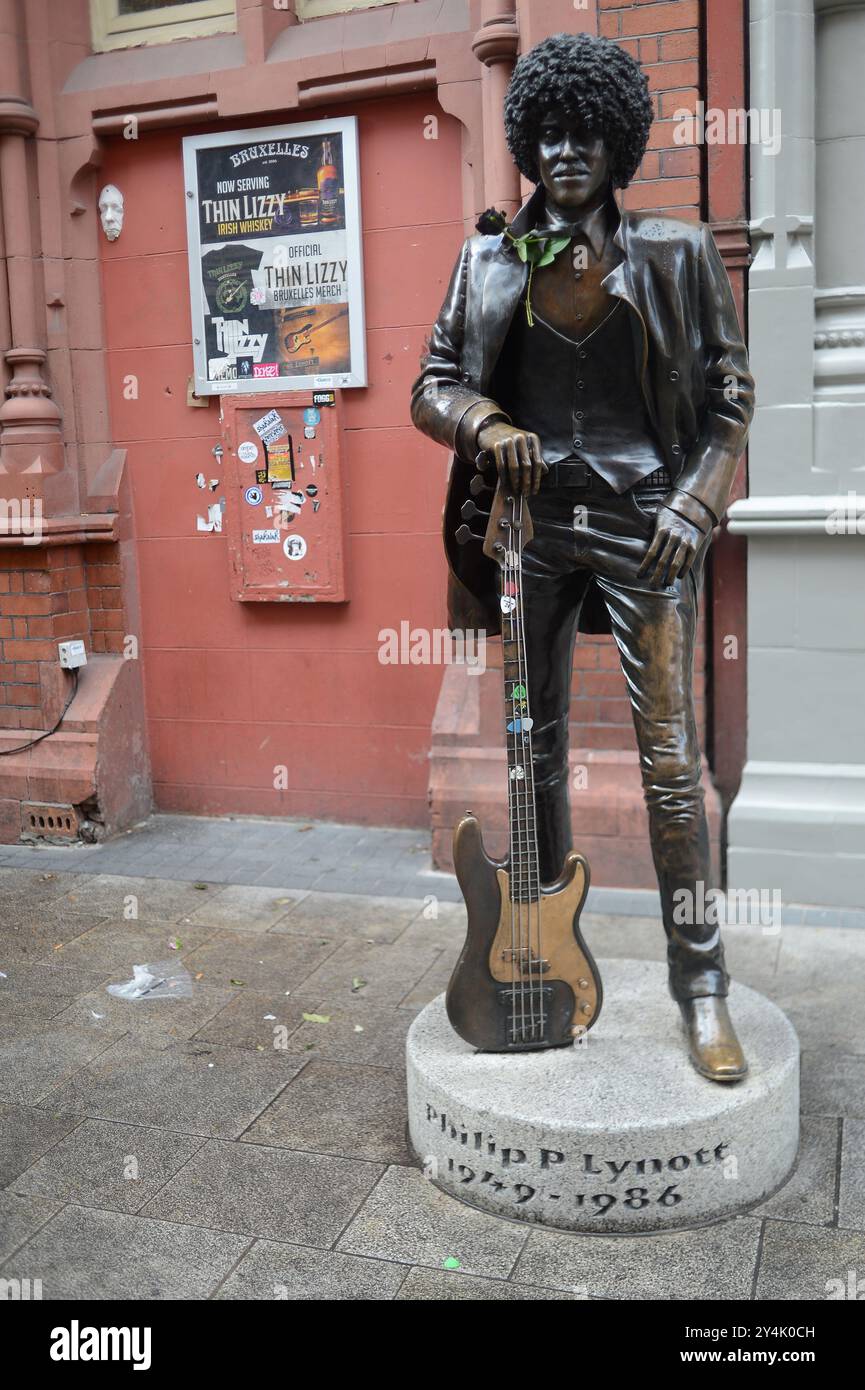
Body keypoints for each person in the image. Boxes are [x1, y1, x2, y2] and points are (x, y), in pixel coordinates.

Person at [410, 32, 755, 1081]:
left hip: (646, 521)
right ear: (527, 144)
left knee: (665, 762)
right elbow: (429, 385)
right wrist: (481, 423)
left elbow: (730, 402)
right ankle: (550, 960)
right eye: (548, 134)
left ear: (615, 145)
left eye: (584, 135)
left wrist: (696, 507)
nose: (565, 151)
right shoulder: (486, 260)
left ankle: (700, 989)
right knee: (535, 755)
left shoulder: (676, 254)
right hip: (529, 531)